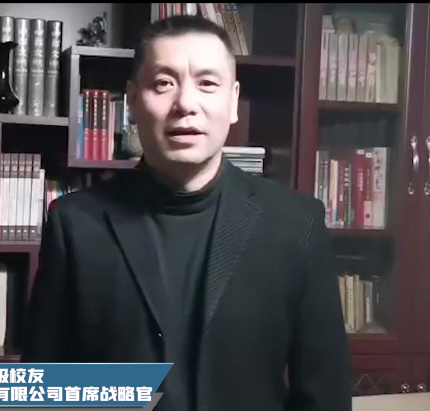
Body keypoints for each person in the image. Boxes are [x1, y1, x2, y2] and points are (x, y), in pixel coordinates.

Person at [21, 13, 352, 411]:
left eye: (207, 83)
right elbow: (46, 387)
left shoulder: (296, 223)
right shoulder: (75, 223)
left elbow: (325, 394)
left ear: (233, 101)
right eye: (164, 83)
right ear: (132, 101)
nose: (186, 104)